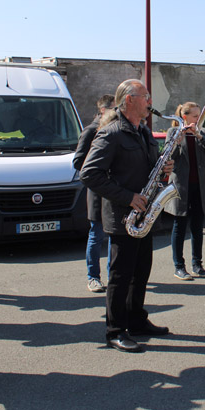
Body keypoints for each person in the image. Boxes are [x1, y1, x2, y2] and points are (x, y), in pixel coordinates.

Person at [80, 79, 174, 353]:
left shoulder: (143, 131)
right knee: (121, 277)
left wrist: (164, 169)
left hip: (144, 214)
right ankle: (115, 330)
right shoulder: (110, 133)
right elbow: (89, 174)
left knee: (140, 272)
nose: (150, 102)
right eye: (146, 96)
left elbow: (148, 170)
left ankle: (136, 320)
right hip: (123, 217)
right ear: (129, 100)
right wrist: (127, 197)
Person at [165, 102, 205, 281]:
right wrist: (177, 140)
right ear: (185, 117)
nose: (197, 119)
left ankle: (197, 264)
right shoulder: (173, 132)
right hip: (181, 186)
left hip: (200, 186)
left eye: (199, 116)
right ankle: (179, 266)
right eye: (195, 116)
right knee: (179, 226)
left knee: (197, 227)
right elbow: (168, 156)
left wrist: (200, 136)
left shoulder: (202, 132)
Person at [73, 94, 115, 293]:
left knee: (114, 236)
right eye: (115, 108)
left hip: (114, 191)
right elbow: (78, 162)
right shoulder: (90, 130)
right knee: (96, 235)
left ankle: (113, 275)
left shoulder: (115, 129)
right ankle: (93, 277)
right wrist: (97, 169)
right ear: (103, 110)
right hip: (98, 191)